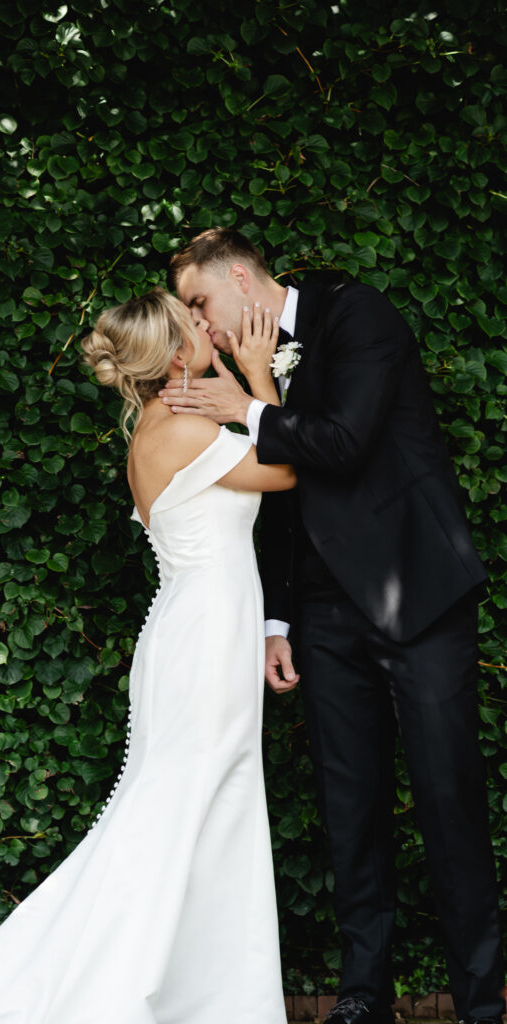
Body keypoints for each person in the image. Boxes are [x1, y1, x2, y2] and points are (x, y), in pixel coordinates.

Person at [0, 287, 296, 1024]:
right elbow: (285, 470)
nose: (206, 327)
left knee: (209, 806)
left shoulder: (163, 423)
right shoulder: (179, 430)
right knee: (178, 807)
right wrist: (256, 375)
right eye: (193, 325)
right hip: (205, 637)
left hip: (200, 629)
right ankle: (123, 991)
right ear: (179, 354)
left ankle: (207, 998)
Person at [162, 227, 505, 1024]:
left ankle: (481, 1003)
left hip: (415, 597)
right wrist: (277, 618)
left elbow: (345, 445)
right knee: (348, 807)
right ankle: (361, 997)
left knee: (447, 800)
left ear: (243, 279)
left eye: (200, 303)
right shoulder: (236, 368)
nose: (200, 325)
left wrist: (249, 403)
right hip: (320, 615)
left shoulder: (358, 318)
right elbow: (275, 494)